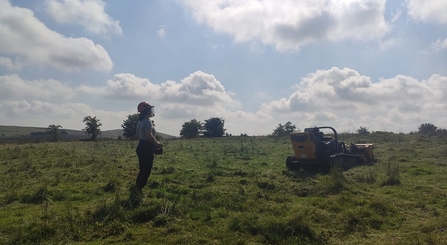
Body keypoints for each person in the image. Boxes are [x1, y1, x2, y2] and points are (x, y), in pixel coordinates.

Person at [135, 101, 163, 194]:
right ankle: (139, 190)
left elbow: (138, 136)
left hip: (141, 146)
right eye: (150, 109)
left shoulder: (140, 122)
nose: (151, 111)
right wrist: (157, 144)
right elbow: (149, 136)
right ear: (147, 111)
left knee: (142, 169)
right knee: (146, 171)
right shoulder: (147, 122)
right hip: (146, 148)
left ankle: (137, 188)